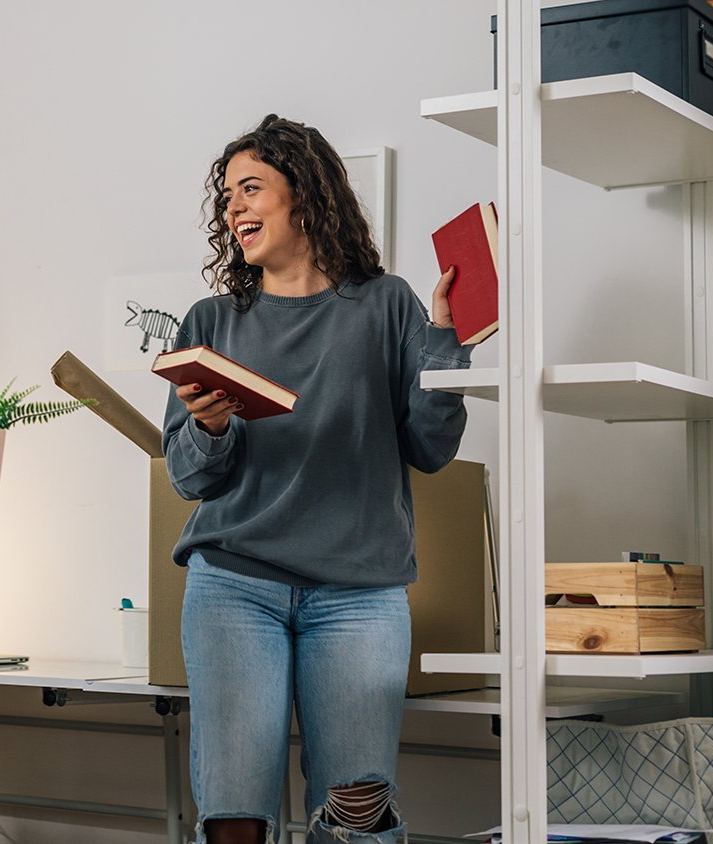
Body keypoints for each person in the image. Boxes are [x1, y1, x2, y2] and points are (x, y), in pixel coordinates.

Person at [163, 114, 470, 844]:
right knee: (234, 814)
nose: (233, 208)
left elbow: (431, 448)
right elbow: (185, 478)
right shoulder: (211, 320)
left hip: (360, 595)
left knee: (359, 813)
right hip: (234, 585)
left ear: (306, 192)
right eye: (226, 197)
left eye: (250, 189)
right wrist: (209, 428)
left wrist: (448, 344)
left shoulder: (389, 304)